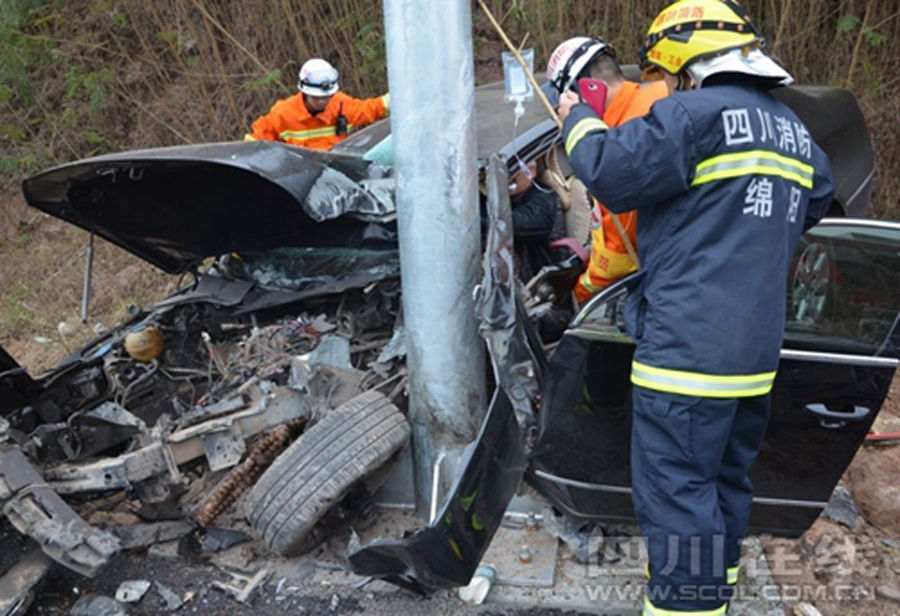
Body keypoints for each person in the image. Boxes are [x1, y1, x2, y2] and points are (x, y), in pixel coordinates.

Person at [557, 1, 834, 614]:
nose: (668, 83)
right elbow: (818, 199)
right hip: (754, 357)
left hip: (685, 353)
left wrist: (576, 115)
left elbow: (608, 170)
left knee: (678, 494)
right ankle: (716, 591)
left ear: (686, 60)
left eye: (668, 71)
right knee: (724, 484)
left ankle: (687, 605)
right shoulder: (794, 131)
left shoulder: (689, 114)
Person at [546, 37, 668, 303]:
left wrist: (579, 294)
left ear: (586, 90)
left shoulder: (615, 148)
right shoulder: (663, 96)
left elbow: (617, 257)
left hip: (662, 285)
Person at [244, 58, 389, 150]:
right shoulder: (283, 113)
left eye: (326, 97)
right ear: (305, 93)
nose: (322, 102)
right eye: (316, 98)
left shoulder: (341, 105)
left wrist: (404, 98)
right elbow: (256, 140)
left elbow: (373, 108)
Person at [508, 160, 565, 283]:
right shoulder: (511, 199)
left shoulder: (545, 198)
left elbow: (513, 223)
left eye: (514, 172)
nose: (509, 177)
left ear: (532, 171)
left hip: (541, 284)